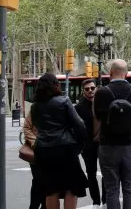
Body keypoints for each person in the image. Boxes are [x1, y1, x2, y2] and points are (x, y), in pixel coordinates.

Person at [32, 73, 88, 209]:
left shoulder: (35, 106)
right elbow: (79, 124)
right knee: (71, 188)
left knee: (51, 190)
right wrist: (79, 144)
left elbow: (36, 127)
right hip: (65, 149)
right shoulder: (64, 101)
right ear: (55, 85)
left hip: (43, 150)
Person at [94, 59, 131, 209]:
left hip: (108, 146)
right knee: (129, 190)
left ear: (110, 73)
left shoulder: (102, 92)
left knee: (111, 189)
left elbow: (97, 116)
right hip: (130, 146)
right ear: (126, 74)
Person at [74, 79, 105, 209]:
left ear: (96, 88)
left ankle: (106, 200)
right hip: (88, 146)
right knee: (91, 174)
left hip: (103, 144)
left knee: (106, 173)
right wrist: (81, 146)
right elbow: (76, 128)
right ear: (83, 91)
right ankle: (96, 202)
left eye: (92, 88)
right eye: (87, 89)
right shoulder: (79, 107)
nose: (90, 91)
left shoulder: (102, 103)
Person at [23, 108, 46, 209]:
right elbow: (26, 128)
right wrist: (36, 142)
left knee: (48, 180)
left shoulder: (57, 106)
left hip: (52, 150)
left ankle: (45, 205)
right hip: (36, 150)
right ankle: (34, 206)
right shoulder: (35, 109)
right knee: (38, 179)